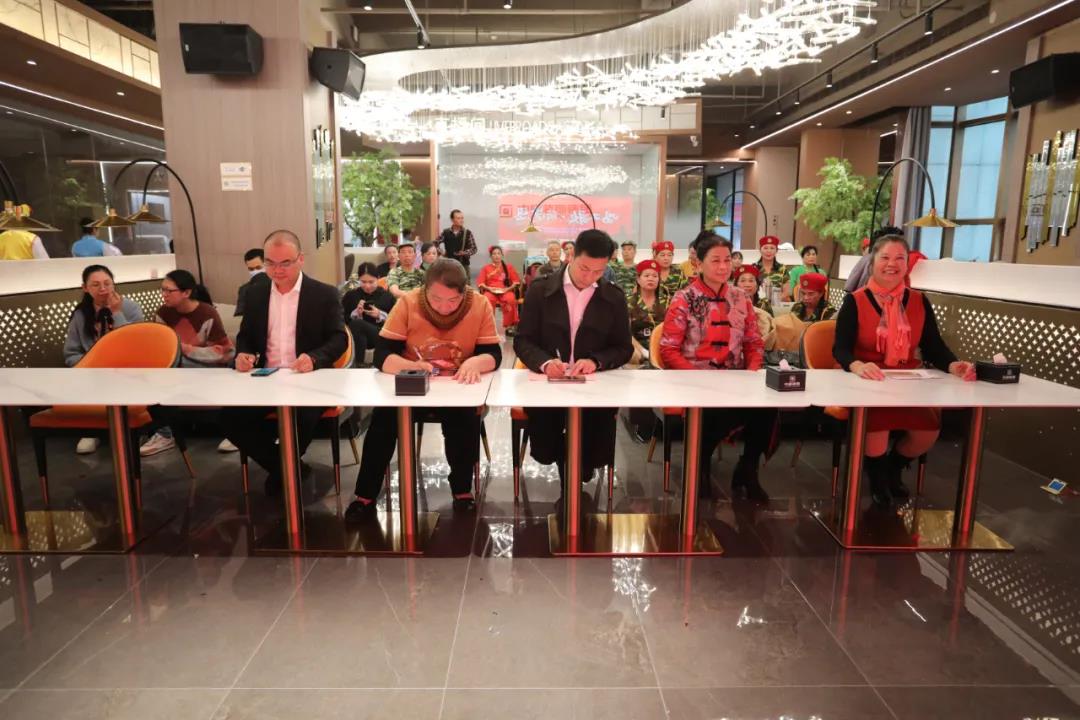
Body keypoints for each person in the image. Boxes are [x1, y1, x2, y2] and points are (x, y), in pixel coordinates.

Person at [345, 259, 501, 519]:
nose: (444, 307)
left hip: (456, 386)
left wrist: (474, 362)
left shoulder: (479, 304)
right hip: (413, 384)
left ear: (464, 292)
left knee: (464, 421)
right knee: (383, 421)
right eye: (436, 299)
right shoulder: (409, 302)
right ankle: (365, 494)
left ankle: (462, 490)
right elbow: (383, 354)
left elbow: (493, 353)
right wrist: (412, 366)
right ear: (425, 289)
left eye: (453, 300)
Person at [833, 230, 975, 507]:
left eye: (900, 258)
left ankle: (892, 468)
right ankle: (877, 478)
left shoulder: (919, 300)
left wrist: (953, 364)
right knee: (875, 433)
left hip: (909, 380)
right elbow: (840, 349)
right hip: (868, 380)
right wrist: (857, 365)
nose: (892, 264)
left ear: (907, 264)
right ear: (873, 262)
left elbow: (933, 346)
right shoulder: (855, 300)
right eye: (885, 257)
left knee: (927, 432)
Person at [220, 230, 348, 497]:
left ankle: (282, 470)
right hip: (265, 377)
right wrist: (244, 353)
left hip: (308, 380)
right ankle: (288, 469)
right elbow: (245, 335)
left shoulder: (323, 294)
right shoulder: (256, 293)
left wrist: (314, 358)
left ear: (301, 259)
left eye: (285, 263)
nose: (277, 270)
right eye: (270, 263)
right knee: (230, 418)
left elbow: (339, 339)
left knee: (301, 419)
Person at [514, 229, 633, 503]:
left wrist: (595, 361)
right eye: (584, 268)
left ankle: (575, 478)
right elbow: (523, 340)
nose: (589, 277)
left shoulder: (613, 297)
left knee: (593, 442)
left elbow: (623, 348)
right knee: (548, 441)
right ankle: (568, 473)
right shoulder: (541, 290)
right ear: (571, 256)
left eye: (598, 271)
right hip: (549, 383)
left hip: (593, 385)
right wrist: (545, 362)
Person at [660, 235, 775, 502]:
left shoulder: (740, 297)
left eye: (727, 260)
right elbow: (668, 350)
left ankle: (748, 468)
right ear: (698, 264)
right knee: (712, 411)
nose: (723, 267)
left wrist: (752, 373)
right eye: (715, 261)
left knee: (769, 407)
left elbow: (753, 341)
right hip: (695, 380)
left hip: (736, 379)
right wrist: (700, 380)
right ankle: (699, 469)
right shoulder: (684, 298)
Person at [140, 270, 235, 456]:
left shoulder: (207, 313)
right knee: (154, 373)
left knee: (168, 370)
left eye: (169, 290)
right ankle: (165, 434)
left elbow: (225, 352)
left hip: (207, 368)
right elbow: (161, 348)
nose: (164, 294)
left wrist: (186, 350)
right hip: (176, 368)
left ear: (186, 292)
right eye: (163, 290)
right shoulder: (163, 313)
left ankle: (166, 433)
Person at [64, 264, 145, 454]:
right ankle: (92, 430)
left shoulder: (131, 308)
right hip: (92, 372)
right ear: (85, 288)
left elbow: (136, 346)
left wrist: (117, 313)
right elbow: (71, 352)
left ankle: (132, 428)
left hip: (127, 369)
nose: (103, 289)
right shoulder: (81, 314)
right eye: (95, 285)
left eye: (107, 283)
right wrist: (91, 366)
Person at [342, 262, 395, 364]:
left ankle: (357, 364)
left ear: (378, 279)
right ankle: (358, 363)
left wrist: (380, 315)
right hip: (355, 335)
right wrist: (356, 314)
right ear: (359, 279)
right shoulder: (351, 296)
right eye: (363, 282)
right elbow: (342, 320)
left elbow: (396, 321)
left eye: (371, 282)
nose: (367, 286)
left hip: (380, 334)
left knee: (357, 324)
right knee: (357, 324)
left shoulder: (387, 296)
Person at [627, 259, 666, 362]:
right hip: (637, 350)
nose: (651, 279)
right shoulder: (627, 301)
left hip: (663, 349)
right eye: (646, 276)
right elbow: (625, 333)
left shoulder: (667, 302)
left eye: (655, 276)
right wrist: (644, 352)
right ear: (638, 279)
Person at [476, 245, 521, 333]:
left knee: (510, 299)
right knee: (487, 299)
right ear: (491, 256)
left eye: (498, 253)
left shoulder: (508, 267)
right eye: (494, 254)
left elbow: (516, 282)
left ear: (502, 255)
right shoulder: (486, 268)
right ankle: (488, 325)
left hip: (505, 290)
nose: (496, 256)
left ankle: (509, 326)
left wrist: (507, 289)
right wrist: (489, 288)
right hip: (490, 291)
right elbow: (481, 283)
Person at [754, 235, 790, 303]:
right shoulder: (753, 268)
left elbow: (786, 292)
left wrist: (774, 301)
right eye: (765, 248)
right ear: (760, 250)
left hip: (776, 304)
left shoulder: (782, 269)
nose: (769, 251)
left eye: (772, 248)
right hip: (757, 305)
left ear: (776, 251)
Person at [234, 248, 269, 316]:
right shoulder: (244, 290)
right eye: (251, 269)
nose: (255, 271)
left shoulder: (278, 286)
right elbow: (240, 316)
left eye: (258, 268)